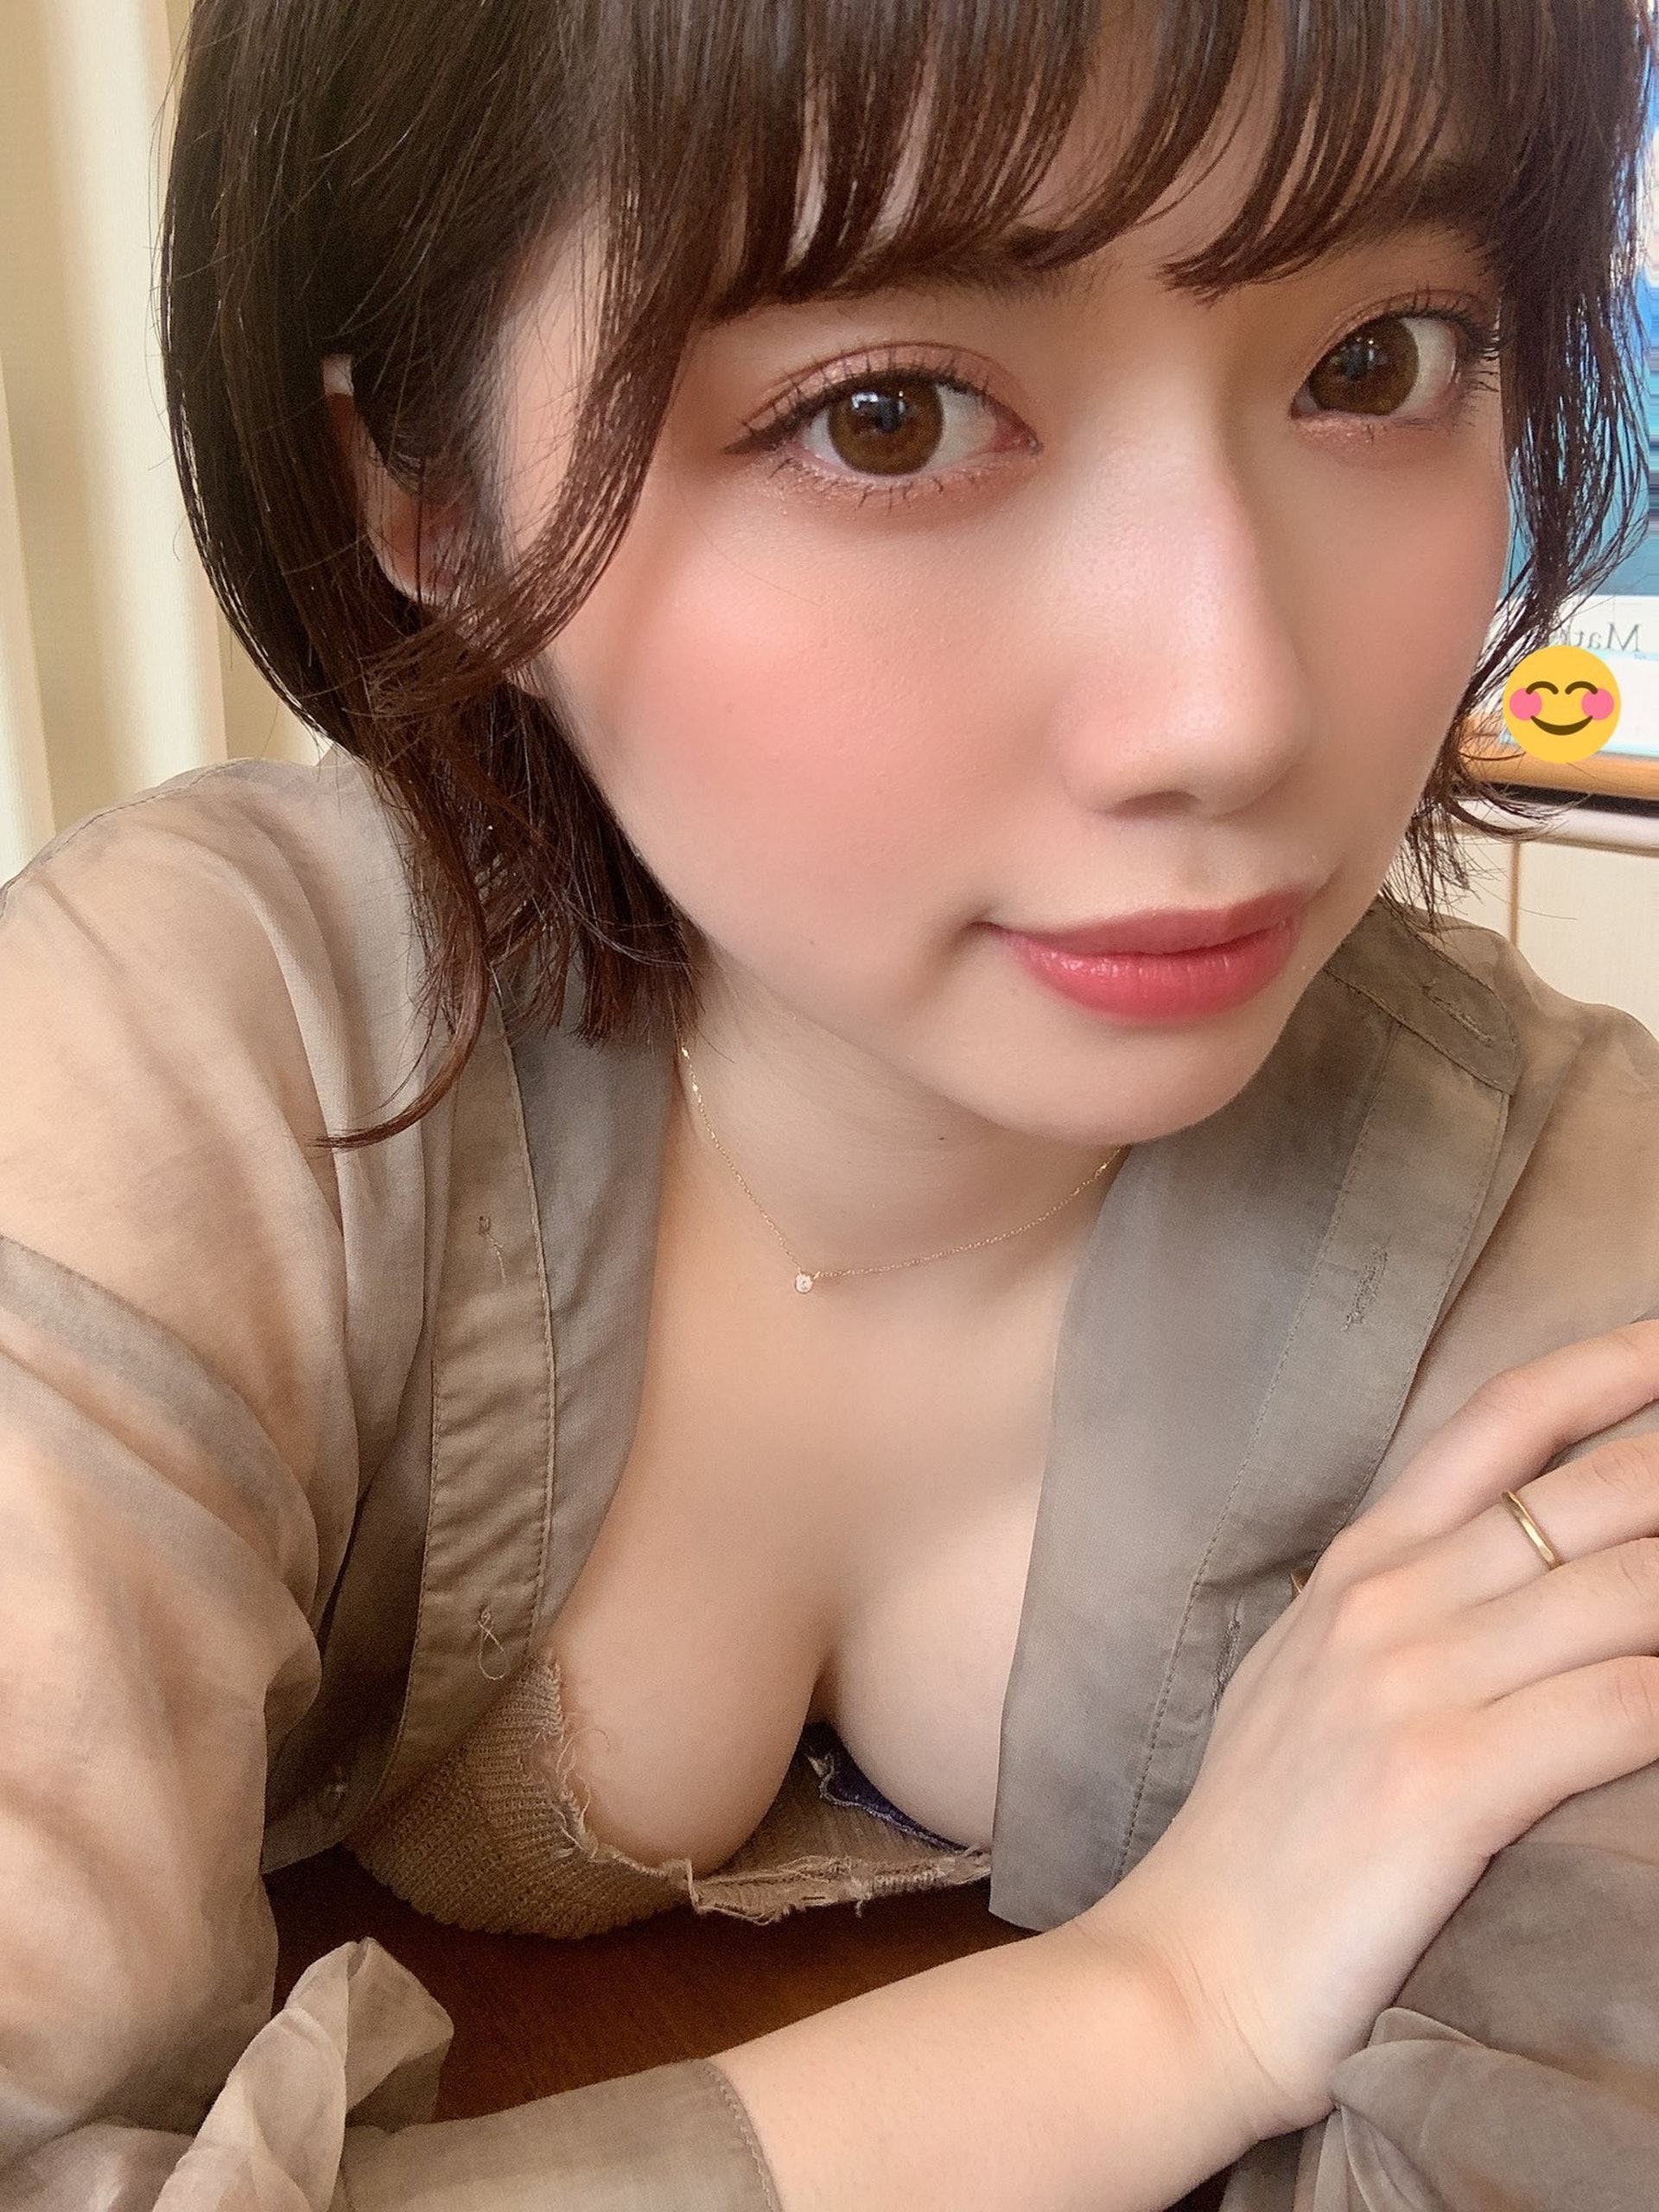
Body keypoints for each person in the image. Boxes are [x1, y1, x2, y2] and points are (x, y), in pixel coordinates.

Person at [5, 0, 1659, 2204]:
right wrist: (1162, 2005)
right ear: (421, 491)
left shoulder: (1565, 1228)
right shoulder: (185, 1069)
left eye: (1378, 363)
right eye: (889, 418)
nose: (1232, 706)